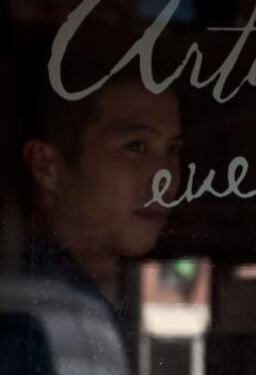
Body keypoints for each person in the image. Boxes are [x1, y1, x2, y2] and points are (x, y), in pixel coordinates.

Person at [18, 34, 183, 312]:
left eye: (174, 149)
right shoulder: (30, 316)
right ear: (47, 165)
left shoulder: (83, 303)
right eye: (137, 146)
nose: (164, 177)